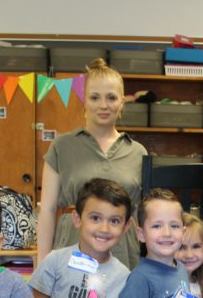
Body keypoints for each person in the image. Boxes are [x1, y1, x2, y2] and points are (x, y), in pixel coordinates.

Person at [37, 59, 146, 269]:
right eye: (95, 97)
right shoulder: (62, 146)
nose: (103, 105)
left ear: (122, 101)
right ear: (84, 100)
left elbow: (140, 215)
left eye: (111, 97)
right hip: (72, 247)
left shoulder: (137, 152)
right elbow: (48, 210)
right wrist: (42, 263)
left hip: (123, 254)